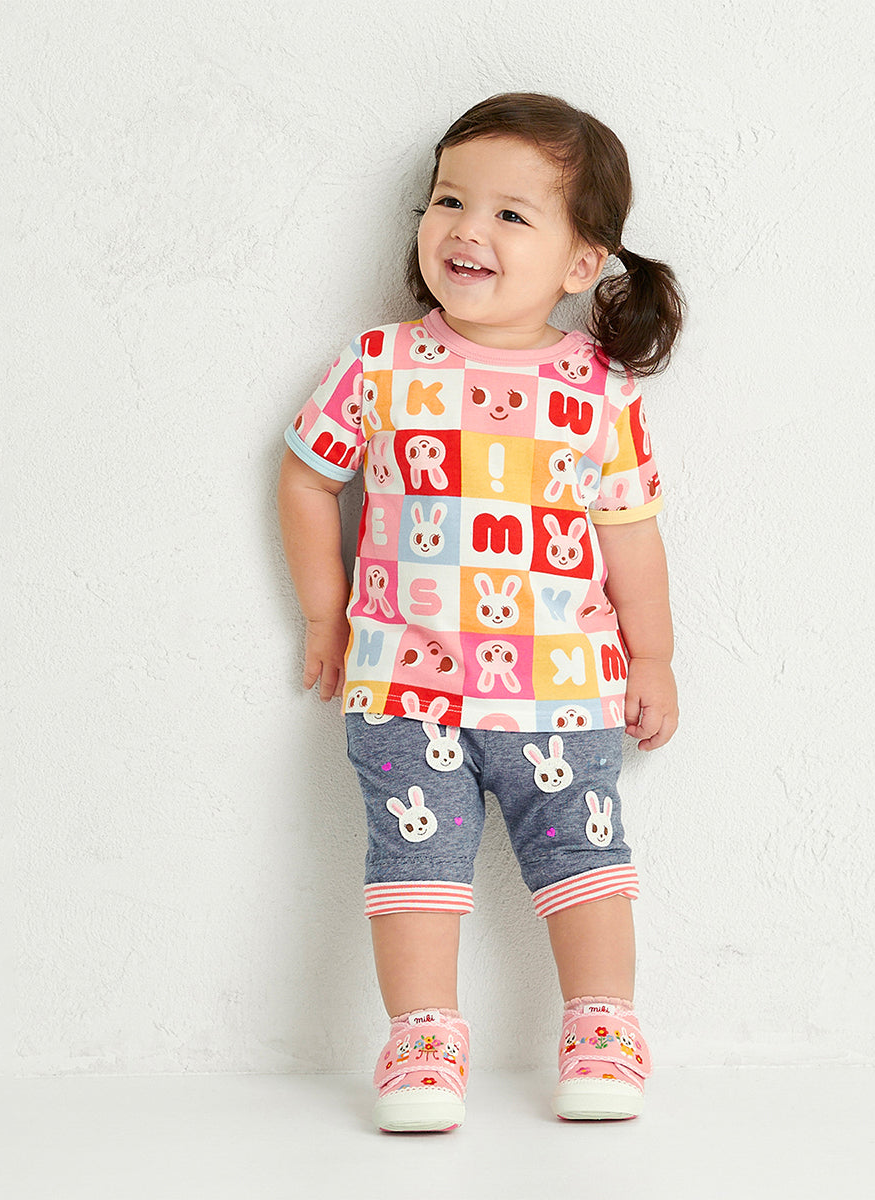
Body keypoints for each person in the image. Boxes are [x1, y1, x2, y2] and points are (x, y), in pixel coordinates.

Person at [277, 92, 684, 1132]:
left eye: (511, 213)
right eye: (450, 200)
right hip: (404, 688)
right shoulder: (378, 365)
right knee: (412, 867)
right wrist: (325, 615)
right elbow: (308, 476)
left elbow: (631, 533)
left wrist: (654, 657)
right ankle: (423, 1040)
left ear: (582, 261)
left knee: (585, 857)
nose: (467, 229)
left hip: (561, 686)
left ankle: (604, 1028)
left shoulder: (598, 391)